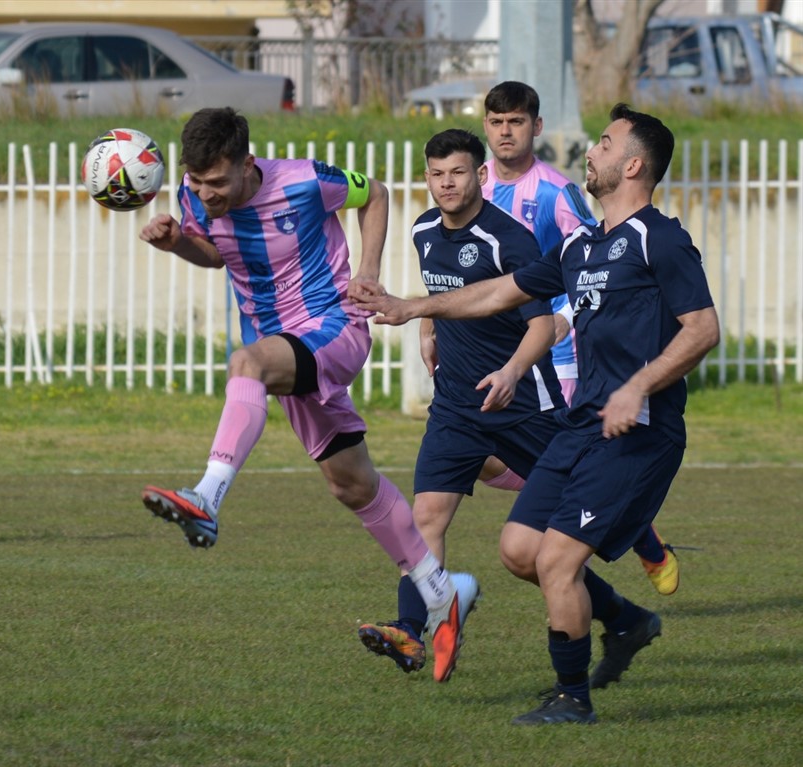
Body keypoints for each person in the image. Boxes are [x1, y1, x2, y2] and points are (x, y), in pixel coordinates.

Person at [354, 104, 720, 724]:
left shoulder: (659, 238)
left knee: (555, 560)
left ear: (633, 165)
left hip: (637, 431)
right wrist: (413, 307)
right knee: (520, 549)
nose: (591, 151)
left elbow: (703, 329)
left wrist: (637, 387)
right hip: (583, 425)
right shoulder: (582, 243)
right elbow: (501, 291)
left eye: (604, 143)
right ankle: (626, 622)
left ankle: (572, 699)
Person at [137, 107, 479, 683]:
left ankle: (208, 500)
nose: (205, 193)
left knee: (244, 363)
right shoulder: (194, 195)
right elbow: (214, 251)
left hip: (333, 328)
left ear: (247, 164)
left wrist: (366, 271)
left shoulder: (303, 180)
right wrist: (177, 243)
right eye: (196, 182)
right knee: (352, 485)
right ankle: (443, 592)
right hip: (283, 351)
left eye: (216, 182)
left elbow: (376, 194)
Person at [358, 128, 566, 676]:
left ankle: (626, 604)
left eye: (457, 172)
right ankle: (409, 629)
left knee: (568, 523)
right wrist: (428, 327)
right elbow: (443, 294)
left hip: (524, 403)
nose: (446, 183)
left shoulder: (510, 241)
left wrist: (511, 372)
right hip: (455, 403)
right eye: (436, 174)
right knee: (425, 515)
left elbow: (542, 325)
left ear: (480, 175)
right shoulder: (423, 229)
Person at [477, 81, 679, 597]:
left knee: (574, 461)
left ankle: (633, 539)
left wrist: (565, 319)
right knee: (486, 457)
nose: (505, 132)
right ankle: (624, 544)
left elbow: (594, 260)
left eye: (516, 122)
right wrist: (427, 318)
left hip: (563, 356)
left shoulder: (556, 191)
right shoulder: (475, 186)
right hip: (501, 352)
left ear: (536, 127)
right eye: (496, 122)